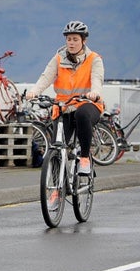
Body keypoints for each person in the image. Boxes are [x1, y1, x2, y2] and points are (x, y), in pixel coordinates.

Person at [26, 20, 104, 176]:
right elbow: (46, 77)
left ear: (84, 41)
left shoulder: (94, 59)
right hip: (64, 107)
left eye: (75, 39)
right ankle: (55, 189)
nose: (71, 43)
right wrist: (34, 91)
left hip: (88, 105)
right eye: (69, 39)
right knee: (57, 146)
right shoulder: (58, 58)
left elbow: (97, 79)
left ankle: (84, 160)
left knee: (81, 114)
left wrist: (94, 92)